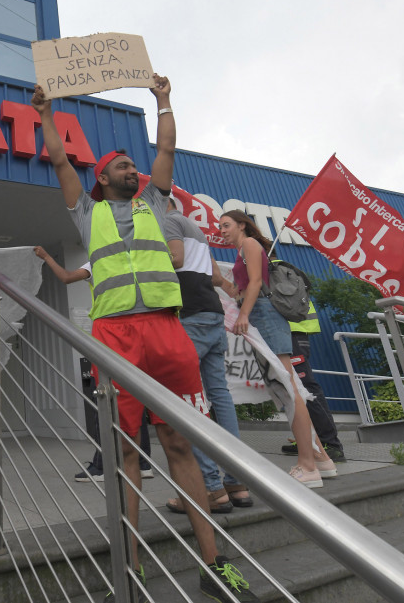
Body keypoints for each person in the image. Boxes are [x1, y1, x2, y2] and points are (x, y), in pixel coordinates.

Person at [33, 79, 257, 603]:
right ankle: (127, 575)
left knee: (181, 442)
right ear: (102, 177)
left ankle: (215, 564)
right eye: (124, 167)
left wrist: (162, 102)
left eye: (137, 166)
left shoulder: (156, 203)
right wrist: (45, 115)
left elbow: (168, 149)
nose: (135, 170)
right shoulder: (86, 214)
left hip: (167, 329)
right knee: (126, 454)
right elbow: (61, 162)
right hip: (115, 337)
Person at [216, 210, 337, 488]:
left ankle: (307, 466)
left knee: (288, 387)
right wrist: (222, 282)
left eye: (226, 225)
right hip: (261, 315)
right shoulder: (244, 250)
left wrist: (244, 314)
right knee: (287, 385)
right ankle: (322, 461)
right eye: (220, 226)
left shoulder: (249, 244)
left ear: (242, 225)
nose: (221, 230)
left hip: (264, 316)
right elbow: (242, 289)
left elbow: (257, 283)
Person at [32, 246, 155, 483]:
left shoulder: (97, 262)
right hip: (138, 331)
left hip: (110, 335)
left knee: (105, 397)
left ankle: (101, 466)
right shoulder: (134, 260)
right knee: (134, 396)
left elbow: (67, 278)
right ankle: (142, 463)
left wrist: (47, 256)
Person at [162, 196, 252, 514]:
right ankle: (236, 482)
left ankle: (210, 488)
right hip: (212, 315)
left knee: (188, 398)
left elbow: (174, 259)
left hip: (190, 318)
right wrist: (230, 289)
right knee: (220, 397)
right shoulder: (196, 231)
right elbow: (214, 277)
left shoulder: (168, 222)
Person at [282, 300, 346, 462]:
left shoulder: (278, 274)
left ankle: (331, 444)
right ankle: (309, 440)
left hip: (291, 330)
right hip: (291, 330)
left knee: (306, 388)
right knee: (294, 389)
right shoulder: (286, 274)